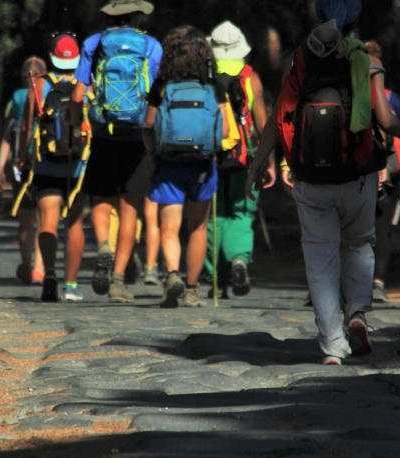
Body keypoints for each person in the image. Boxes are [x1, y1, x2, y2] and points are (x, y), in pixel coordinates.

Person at [245, 0, 400, 365]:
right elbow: (386, 121)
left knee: (320, 255)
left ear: (318, 17)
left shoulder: (299, 60)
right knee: (358, 244)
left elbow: (277, 119)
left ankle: (332, 346)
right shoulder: (367, 60)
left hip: (310, 176)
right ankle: (357, 312)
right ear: (356, 19)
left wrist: (257, 165)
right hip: (358, 172)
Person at [68, 0, 163, 303]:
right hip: (137, 139)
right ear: (137, 17)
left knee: (101, 198)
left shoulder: (94, 43)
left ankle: (103, 247)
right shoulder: (151, 45)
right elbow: (157, 94)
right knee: (130, 209)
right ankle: (118, 282)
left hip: (103, 134)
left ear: (110, 17)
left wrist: (75, 122)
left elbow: (78, 93)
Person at [141, 25, 230, 308]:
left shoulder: (162, 85)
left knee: (169, 227)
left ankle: (172, 275)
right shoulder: (213, 85)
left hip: (168, 163)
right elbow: (225, 129)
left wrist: (153, 154)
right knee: (198, 228)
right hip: (203, 164)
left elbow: (149, 125)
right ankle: (192, 289)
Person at [204, 21, 276, 299]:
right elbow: (262, 123)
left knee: (214, 217)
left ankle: (216, 279)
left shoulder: (204, 76)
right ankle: (239, 260)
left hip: (210, 157)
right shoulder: (250, 77)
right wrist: (268, 160)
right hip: (245, 157)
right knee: (241, 214)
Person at [18, 34, 88, 302]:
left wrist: (23, 158)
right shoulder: (87, 86)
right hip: (78, 168)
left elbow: (27, 126)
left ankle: (49, 273)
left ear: (51, 56)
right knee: (75, 223)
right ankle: (71, 286)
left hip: (47, 164)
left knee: (48, 219)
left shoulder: (39, 85)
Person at [0, 57, 47, 286]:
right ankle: (41, 269)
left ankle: (27, 266)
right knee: (46, 218)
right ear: (44, 74)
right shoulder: (54, 92)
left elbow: (9, 136)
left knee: (25, 219)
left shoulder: (17, 98)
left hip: (20, 167)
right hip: (48, 164)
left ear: (24, 76)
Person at [364, 40, 400, 304]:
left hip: (352, 169)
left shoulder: (345, 92)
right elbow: (398, 132)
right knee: (382, 227)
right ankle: (377, 282)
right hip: (385, 170)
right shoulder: (392, 98)